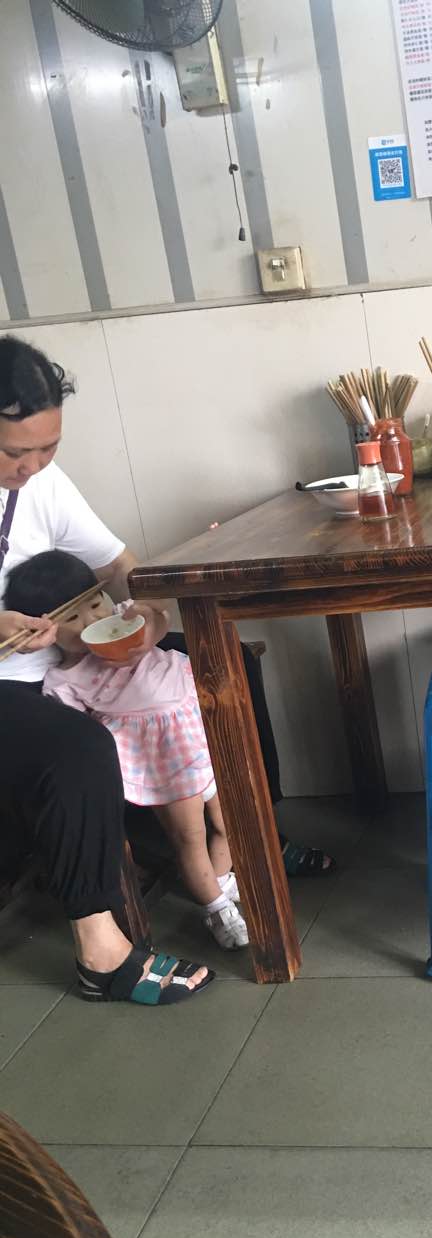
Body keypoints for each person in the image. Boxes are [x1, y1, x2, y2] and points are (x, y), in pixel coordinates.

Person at [0, 335, 329, 1005]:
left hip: (67, 653)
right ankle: (101, 951)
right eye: (14, 453)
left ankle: (251, 832)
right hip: (12, 681)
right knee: (76, 748)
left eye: (48, 448)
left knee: (223, 661)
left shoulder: (42, 483)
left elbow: (119, 564)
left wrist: (147, 608)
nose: (32, 467)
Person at [5, 550, 250, 952]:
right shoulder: (66, 680)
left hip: (200, 734)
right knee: (190, 838)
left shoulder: (127, 620)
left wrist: (151, 619)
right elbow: (81, 739)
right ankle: (216, 908)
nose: (92, 621)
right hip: (161, 760)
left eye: (95, 604)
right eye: (72, 618)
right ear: (44, 632)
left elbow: (157, 609)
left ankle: (220, 879)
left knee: (231, 821)